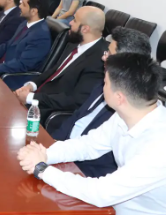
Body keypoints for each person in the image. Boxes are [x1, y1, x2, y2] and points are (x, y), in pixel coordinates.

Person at [17, 53, 166, 215]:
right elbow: (88, 145)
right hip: (112, 206)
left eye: (105, 83)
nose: (102, 86)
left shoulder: (159, 148)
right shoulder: (128, 114)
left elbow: (101, 193)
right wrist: (45, 155)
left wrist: (42, 169)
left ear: (119, 98)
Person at [50, 27, 152, 178]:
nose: (103, 58)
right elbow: (77, 117)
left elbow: (101, 161)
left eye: (109, 54)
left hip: (87, 172)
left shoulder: (130, 104)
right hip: (67, 152)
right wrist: (51, 145)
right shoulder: (103, 83)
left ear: (124, 63)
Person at [13, 6, 108, 121]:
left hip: (47, 111)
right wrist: (31, 86)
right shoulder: (74, 42)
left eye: (75, 20)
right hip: (36, 97)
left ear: (85, 29)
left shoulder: (100, 60)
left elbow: (75, 100)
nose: (70, 23)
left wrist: (30, 97)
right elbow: (54, 70)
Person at [0, 0, 51, 89]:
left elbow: (21, 65)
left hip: (11, 78)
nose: (20, 6)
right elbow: (6, 46)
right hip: (1, 68)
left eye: (24, 4)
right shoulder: (24, 23)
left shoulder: (41, 35)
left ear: (34, 11)